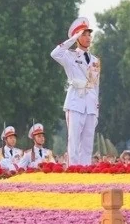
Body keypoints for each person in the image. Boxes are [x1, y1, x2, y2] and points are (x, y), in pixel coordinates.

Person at [50, 17, 101, 166]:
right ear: (77, 37)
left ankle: (85, 170)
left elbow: (96, 86)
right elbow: (55, 54)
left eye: (89, 34)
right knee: (74, 140)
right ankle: (74, 169)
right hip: (75, 102)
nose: (88, 38)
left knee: (88, 142)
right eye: (84, 34)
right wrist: (72, 39)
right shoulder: (70, 55)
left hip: (90, 104)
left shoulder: (95, 60)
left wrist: (96, 110)